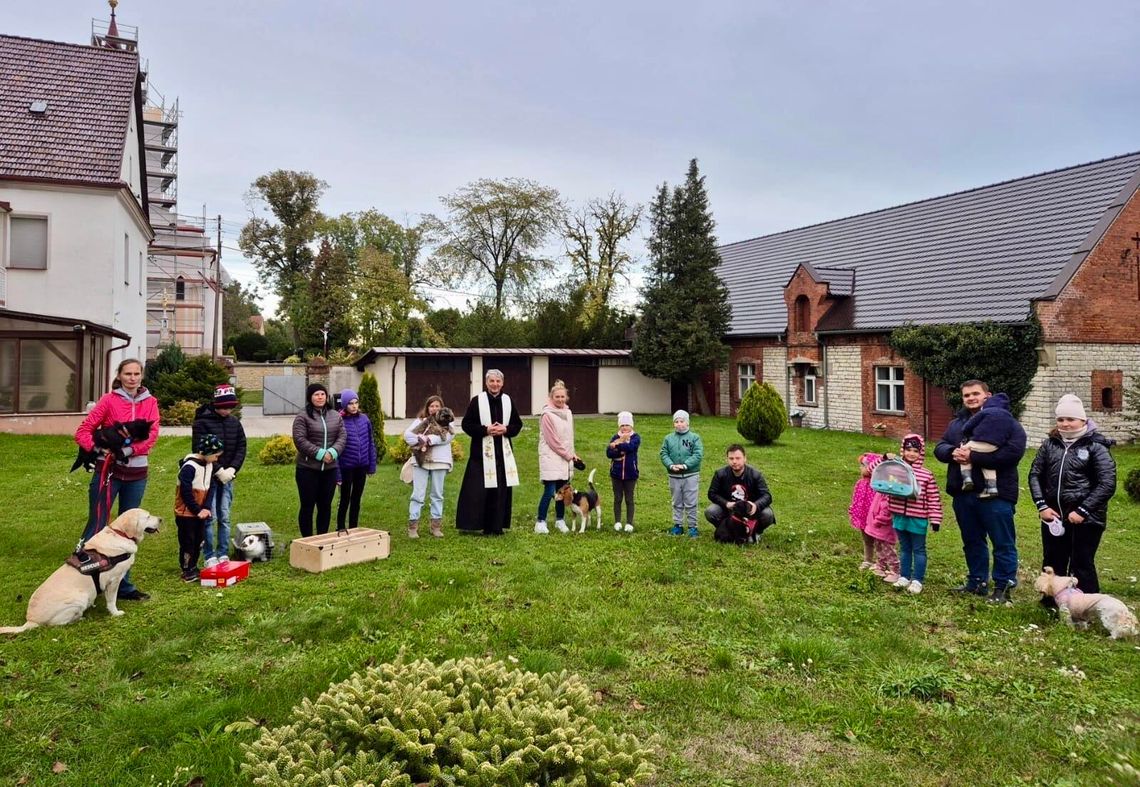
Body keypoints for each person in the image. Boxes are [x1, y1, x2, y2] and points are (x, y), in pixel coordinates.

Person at [74, 357, 160, 601]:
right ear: (120, 376)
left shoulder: (151, 402)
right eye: (127, 374)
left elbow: (152, 435)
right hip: (108, 472)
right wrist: (99, 450)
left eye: (136, 374)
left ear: (141, 376)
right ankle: (85, 581)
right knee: (98, 525)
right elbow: (83, 431)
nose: (132, 378)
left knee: (130, 530)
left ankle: (123, 586)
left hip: (136, 473)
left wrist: (129, 451)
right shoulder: (109, 400)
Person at [934, 379, 1027, 604]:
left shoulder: (1006, 422)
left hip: (997, 495)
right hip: (964, 493)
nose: (971, 398)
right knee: (972, 540)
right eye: (966, 395)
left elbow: (1012, 453)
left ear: (987, 395)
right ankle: (977, 582)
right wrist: (951, 452)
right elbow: (940, 446)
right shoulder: (957, 424)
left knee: (1002, 542)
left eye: (976, 394)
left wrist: (973, 457)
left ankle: (1003, 587)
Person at [1028, 394, 1116, 599]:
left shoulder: (1096, 447)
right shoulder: (1050, 445)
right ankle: (1052, 600)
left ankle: (1087, 603)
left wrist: (1083, 510)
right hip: (1054, 516)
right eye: (1061, 419)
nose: (1065, 424)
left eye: (1070, 419)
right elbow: (1035, 474)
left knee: (1081, 562)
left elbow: (1106, 483)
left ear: (1083, 421)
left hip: (1086, 518)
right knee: (1053, 560)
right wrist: (1042, 506)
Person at [456, 369, 524, 536]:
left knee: (500, 490)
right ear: (486, 383)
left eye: (498, 381)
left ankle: (496, 526)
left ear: (502, 383)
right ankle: (477, 524)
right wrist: (485, 429)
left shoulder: (508, 401)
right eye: (492, 381)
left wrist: (506, 429)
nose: (495, 384)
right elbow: (466, 424)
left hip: (502, 453)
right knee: (478, 491)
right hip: (481, 454)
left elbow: (517, 425)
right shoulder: (477, 401)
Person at [192, 384, 247, 568]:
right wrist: (218, 470)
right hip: (209, 478)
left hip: (227, 478)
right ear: (216, 405)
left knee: (224, 516)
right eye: (224, 407)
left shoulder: (234, 423)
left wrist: (232, 469)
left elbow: (241, 446)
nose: (227, 410)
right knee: (209, 517)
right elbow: (199, 449)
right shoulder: (202, 422)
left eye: (230, 407)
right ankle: (209, 554)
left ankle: (222, 552)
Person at [883, 434, 942, 595]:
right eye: (908, 449)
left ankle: (917, 580)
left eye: (916, 450)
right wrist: (885, 458)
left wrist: (935, 518)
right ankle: (904, 576)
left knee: (919, 549)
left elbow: (933, 497)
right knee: (904, 548)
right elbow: (875, 469)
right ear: (903, 450)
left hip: (918, 518)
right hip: (899, 516)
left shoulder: (926, 474)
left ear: (921, 453)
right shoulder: (894, 469)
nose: (911, 454)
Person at [292, 382, 346, 537]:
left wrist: (333, 452)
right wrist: (320, 454)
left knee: (325, 506)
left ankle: (322, 538)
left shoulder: (335, 415)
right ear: (310, 397)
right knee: (307, 506)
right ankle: (307, 541)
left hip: (330, 470)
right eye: (316, 394)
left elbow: (342, 436)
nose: (320, 397)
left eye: (322, 394)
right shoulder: (302, 416)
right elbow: (300, 440)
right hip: (307, 469)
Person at [175, 433, 223, 582]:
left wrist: (207, 507)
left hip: (201, 512)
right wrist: (197, 510)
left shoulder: (209, 465)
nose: (217, 459)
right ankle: (186, 569)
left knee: (199, 541)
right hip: (186, 513)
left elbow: (212, 486)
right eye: (215, 455)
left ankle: (194, 565)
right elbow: (185, 492)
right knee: (187, 541)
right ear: (206, 452)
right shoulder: (189, 467)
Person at [403, 394, 454, 538]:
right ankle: (413, 526)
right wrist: (420, 440)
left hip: (440, 461)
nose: (434, 409)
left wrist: (428, 439)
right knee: (418, 494)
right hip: (421, 461)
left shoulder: (447, 422)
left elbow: (447, 437)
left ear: (441, 407)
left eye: (437, 406)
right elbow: (408, 436)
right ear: (427, 407)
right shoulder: (420, 421)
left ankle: (435, 526)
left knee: (437, 494)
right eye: (432, 406)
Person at [705, 444, 775, 543]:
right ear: (727, 459)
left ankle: (755, 532)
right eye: (731, 458)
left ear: (745, 458)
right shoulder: (720, 474)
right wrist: (726, 503)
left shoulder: (755, 474)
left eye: (738, 458)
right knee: (711, 511)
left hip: (749, 511)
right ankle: (728, 531)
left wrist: (755, 505)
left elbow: (767, 496)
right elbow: (712, 493)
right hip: (730, 511)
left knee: (768, 514)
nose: (734, 461)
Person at [535, 380, 581, 534]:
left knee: (563, 491)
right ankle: (540, 521)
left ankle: (560, 520)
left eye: (563, 397)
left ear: (566, 397)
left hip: (565, 458)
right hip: (551, 457)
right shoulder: (547, 415)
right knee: (550, 492)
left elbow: (569, 438)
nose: (560, 399)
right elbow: (552, 441)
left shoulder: (568, 413)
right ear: (551, 397)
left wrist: (573, 454)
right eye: (557, 397)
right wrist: (568, 454)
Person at [958, 393, 1018, 498]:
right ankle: (992, 488)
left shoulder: (985, 412)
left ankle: (967, 479)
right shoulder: (1010, 417)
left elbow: (969, 425)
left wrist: (966, 432)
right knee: (987, 464)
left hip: (982, 441)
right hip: (996, 445)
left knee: (963, 450)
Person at [849, 452, 899, 576]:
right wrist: (853, 510)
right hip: (862, 515)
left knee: (880, 541)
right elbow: (856, 498)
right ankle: (868, 560)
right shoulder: (860, 483)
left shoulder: (877, 485)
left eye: (863, 465)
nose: (861, 468)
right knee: (867, 540)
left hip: (874, 518)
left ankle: (883, 563)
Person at [335, 388, 377, 531]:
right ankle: (340, 527)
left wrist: (371, 465)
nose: (354, 406)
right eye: (350, 403)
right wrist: (338, 474)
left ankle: (353, 527)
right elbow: (336, 448)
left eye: (356, 403)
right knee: (345, 498)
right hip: (346, 466)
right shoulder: (339, 421)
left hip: (361, 466)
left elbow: (370, 442)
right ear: (344, 405)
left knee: (356, 498)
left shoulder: (364, 419)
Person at [660, 410, 703, 537]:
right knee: (676, 501)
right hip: (674, 476)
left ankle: (692, 526)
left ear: (687, 423)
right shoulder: (668, 439)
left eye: (682, 421)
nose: (679, 424)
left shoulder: (695, 438)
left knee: (691, 501)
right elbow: (664, 453)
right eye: (676, 422)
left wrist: (685, 465)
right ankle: (677, 525)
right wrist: (670, 465)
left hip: (691, 475)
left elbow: (698, 454)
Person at [606, 411, 640, 533]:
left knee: (629, 499)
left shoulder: (636, 437)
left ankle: (629, 523)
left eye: (627, 425)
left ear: (631, 426)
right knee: (618, 498)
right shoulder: (615, 437)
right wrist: (618, 445)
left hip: (631, 474)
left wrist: (617, 445)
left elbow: (631, 448)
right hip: (616, 474)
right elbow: (608, 453)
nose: (625, 427)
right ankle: (617, 521)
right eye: (622, 425)